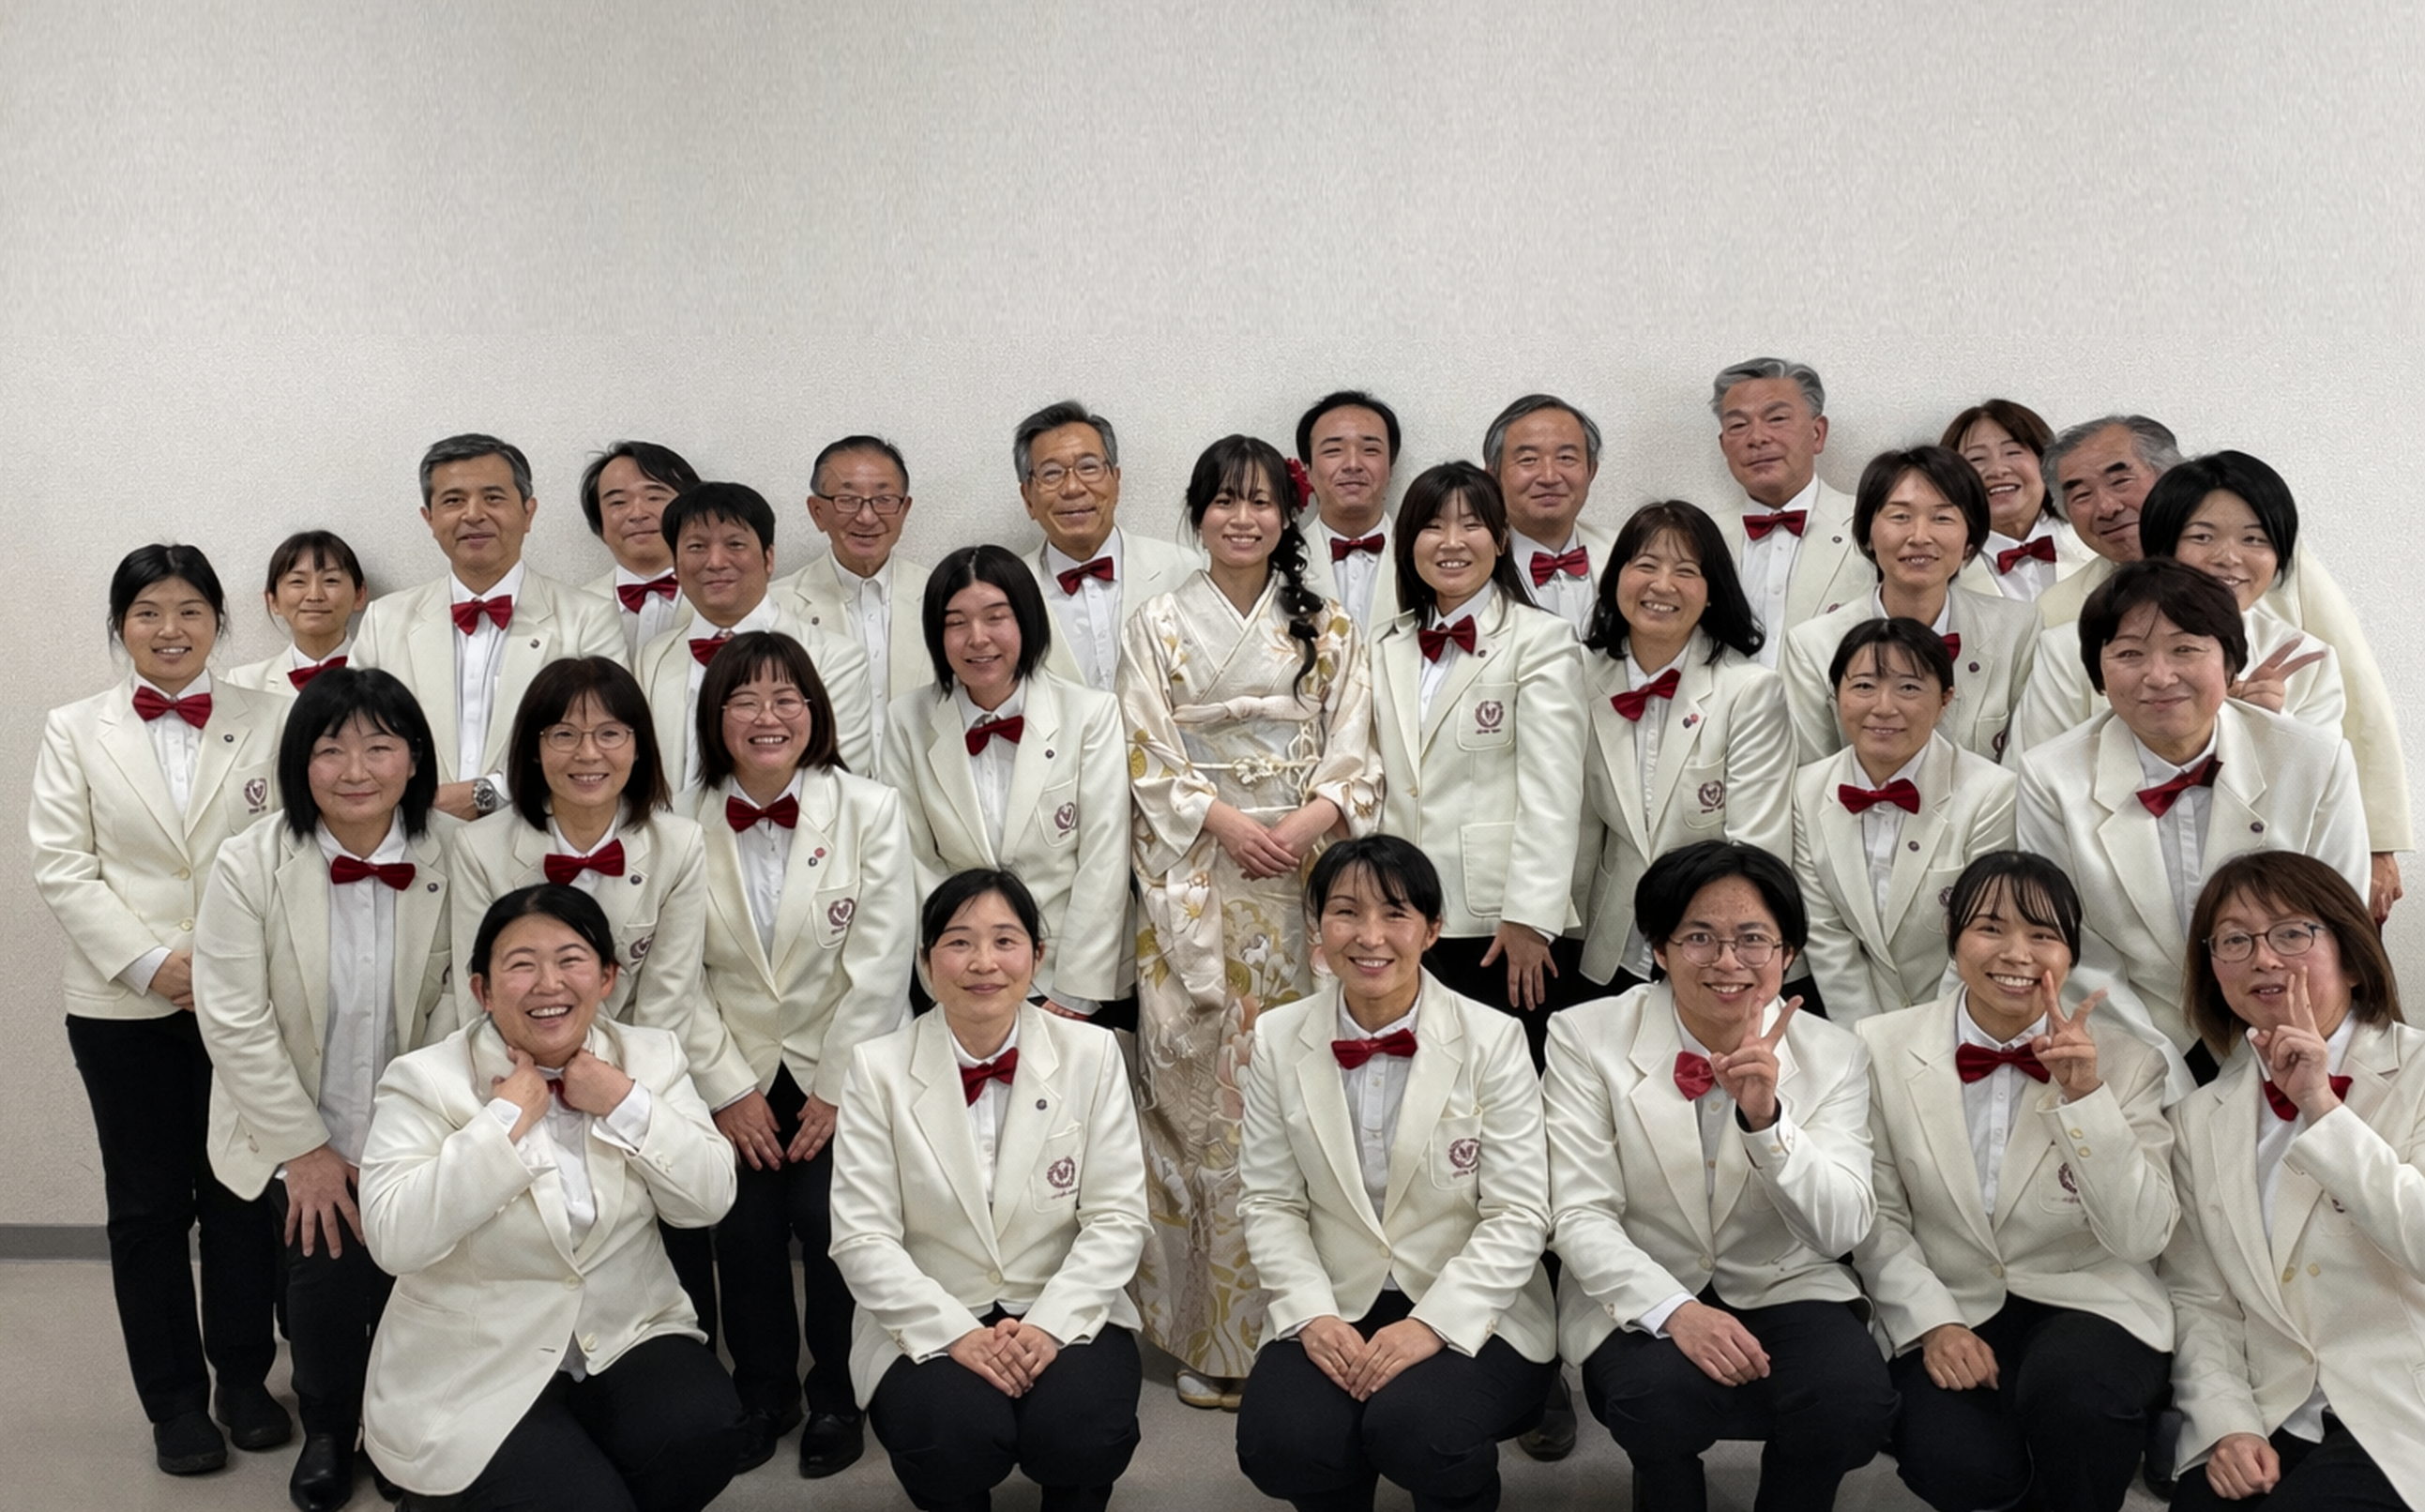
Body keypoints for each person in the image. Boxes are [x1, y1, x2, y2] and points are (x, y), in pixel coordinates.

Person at [1118, 432, 1382, 1408]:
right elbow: (1143, 750)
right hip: (1199, 884)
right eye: (1224, 500)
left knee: (1300, 1101)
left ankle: (1308, 1321)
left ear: (1286, 514)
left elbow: (1355, 748)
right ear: (1197, 514)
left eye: (1261, 500)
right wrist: (1225, 820)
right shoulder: (1155, 623)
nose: (1242, 517)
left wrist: (1306, 822)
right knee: (1197, 1108)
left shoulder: (1330, 625)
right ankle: (1211, 1335)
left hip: (1300, 879)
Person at [28, 543, 291, 1474]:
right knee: (145, 1207)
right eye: (147, 612)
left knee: (241, 1195)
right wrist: (152, 964)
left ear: (219, 620)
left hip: (246, 999)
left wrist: (221, 965)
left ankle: (244, 1379)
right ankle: (173, 1401)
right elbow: (63, 863)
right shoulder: (74, 728)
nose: (169, 629)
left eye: (189, 610)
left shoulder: (275, 718)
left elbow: (292, 849)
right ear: (120, 626)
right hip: (121, 1006)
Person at [356, 885, 744, 1512]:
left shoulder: (649, 1056)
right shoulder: (424, 1079)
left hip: (621, 1332)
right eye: (521, 964)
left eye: (570, 960)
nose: (548, 983)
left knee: (703, 1432)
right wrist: (503, 1121)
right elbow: (393, 1239)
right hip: (478, 1360)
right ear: (482, 989)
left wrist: (625, 1102)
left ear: (607, 977)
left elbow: (708, 1201)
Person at [1541, 839, 1894, 1512]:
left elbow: (1842, 1228)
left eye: (1753, 939)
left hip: (1784, 1278)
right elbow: (1578, 1212)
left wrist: (1767, 1123)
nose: (1729, 962)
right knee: (1656, 1400)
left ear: (1788, 953)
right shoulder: (1585, 1036)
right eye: (1699, 937)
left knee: (1850, 1404)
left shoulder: (1838, 1054)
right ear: (1659, 948)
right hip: (1646, 1277)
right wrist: (1674, 1310)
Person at [1234, 836, 1558, 1512]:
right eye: (1345, 912)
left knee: (1420, 1431)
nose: (1370, 936)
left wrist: (1433, 1324)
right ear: (1318, 926)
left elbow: (1519, 1213)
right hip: (1337, 1294)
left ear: (1432, 929)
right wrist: (1312, 1315)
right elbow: (1269, 1201)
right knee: (1285, 1443)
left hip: (1469, 1299)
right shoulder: (1277, 1038)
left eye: (1395, 913)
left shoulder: (1493, 1038)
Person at [194, 667, 454, 1510]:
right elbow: (234, 1017)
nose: (355, 770)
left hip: (420, 1117)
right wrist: (307, 1151)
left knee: (422, 1276)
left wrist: (411, 1138)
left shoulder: (458, 857)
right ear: (299, 762)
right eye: (330, 750)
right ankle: (332, 1428)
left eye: (379, 747)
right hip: (297, 1122)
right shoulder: (249, 862)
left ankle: (406, 1427)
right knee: (325, 1265)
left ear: (414, 759)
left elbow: (465, 1002)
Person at [1853, 852, 2176, 1512]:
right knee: (1951, 1459)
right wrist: (1933, 1324)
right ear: (1953, 941)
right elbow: (1878, 1217)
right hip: (1952, 1294)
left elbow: (2141, 1237)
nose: (2016, 953)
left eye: (2042, 934)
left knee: (2080, 1405)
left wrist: (2086, 1098)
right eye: (1990, 928)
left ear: (2071, 955)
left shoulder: (2131, 1061)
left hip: (2089, 1295)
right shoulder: (1879, 1047)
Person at [672, 629, 916, 1477]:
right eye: (743, 699)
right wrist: (726, 1088)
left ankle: (840, 1395)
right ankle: (764, 1392)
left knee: (831, 1220)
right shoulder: (678, 823)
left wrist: (838, 1088)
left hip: (839, 1066)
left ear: (814, 712)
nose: (766, 716)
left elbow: (881, 961)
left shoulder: (870, 809)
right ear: (715, 718)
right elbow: (677, 977)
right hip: (731, 1068)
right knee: (740, 1227)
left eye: (785, 698)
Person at [829, 869, 1150, 1512]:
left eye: (1005, 941)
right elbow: (862, 1237)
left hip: (1060, 1298)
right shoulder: (876, 1067)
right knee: (950, 1436)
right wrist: (956, 1333)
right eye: (958, 942)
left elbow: (1118, 1217)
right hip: (932, 1306)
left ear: (1037, 955)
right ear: (926, 963)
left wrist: (1049, 1326)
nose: (983, 963)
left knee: (1081, 1428)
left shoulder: (1091, 1054)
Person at [2033, 419, 2409, 923]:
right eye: (2080, 493)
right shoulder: (2063, 619)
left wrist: (2377, 838)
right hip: (2117, 881)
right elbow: (2047, 768)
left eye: (2120, 478)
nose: (2105, 505)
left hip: (2273, 890)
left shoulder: (2294, 627)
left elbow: (2350, 723)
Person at [444, 657, 717, 1338]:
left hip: (631, 1069)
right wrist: (531, 1079)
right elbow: (478, 990)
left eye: (610, 733)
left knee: (666, 1204)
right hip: (517, 1071)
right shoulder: (480, 847)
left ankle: (667, 1346)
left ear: (639, 745)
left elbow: (671, 992)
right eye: (563, 734)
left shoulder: (678, 843)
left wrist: (619, 1087)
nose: (587, 754)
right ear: (533, 749)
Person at [2016, 560, 2369, 1079]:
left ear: (2230, 663)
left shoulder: (2312, 760)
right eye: (2129, 654)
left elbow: (2338, 924)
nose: (2159, 676)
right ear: (2098, 673)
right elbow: (2072, 947)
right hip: (2135, 1037)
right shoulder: (2051, 777)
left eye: (2185, 649)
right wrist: (2158, 1071)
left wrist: (2270, 1057)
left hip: (2294, 1030)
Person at [2162, 851, 2425, 1509]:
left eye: (2290, 932)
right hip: (2273, 1410)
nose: (2262, 958)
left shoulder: (2419, 1072)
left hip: (2402, 1407)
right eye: (2234, 940)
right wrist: (2226, 1422)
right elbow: (2201, 1299)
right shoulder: (2196, 1119)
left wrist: (2321, 1108)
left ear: (2352, 955)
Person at [1369, 461, 1585, 1054]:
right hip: (1397, 913)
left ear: (1501, 539)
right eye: (1432, 526)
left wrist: (1531, 916)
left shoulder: (1541, 640)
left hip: (1495, 921)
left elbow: (1554, 790)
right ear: (1408, 543)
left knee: (1498, 1076)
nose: (1452, 542)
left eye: (1471, 525)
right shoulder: (1385, 645)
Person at [883, 545, 1134, 1027]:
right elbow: (912, 861)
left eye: (996, 617)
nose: (977, 638)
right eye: (956, 622)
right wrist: (954, 968)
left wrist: (1075, 991)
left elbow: (1104, 857)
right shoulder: (907, 720)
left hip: (1071, 976)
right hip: (963, 978)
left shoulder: (1089, 714)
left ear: (1027, 619)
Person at [1573, 501, 1793, 995]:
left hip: (1713, 950)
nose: (1663, 585)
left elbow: (1756, 847)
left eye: (1686, 571)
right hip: (1608, 944)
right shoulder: (1580, 678)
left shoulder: (1749, 690)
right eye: (1646, 565)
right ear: (1616, 578)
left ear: (1713, 591)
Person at [2012, 450, 2347, 769]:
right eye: (2202, 537)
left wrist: (2270, 724)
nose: (2228, 557)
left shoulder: (2308, 660)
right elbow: (2032, 775)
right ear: (2161, 545)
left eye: (2253, 539)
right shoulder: (2067, 651)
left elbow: (2325, 787)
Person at [352, 433, 626, 822]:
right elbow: (354, 738)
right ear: (429, 519)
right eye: (453, 501)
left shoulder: (588, 619)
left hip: (535, 833)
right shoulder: (385, 620)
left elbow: (607, 742)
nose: (473, 514)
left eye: (493, 498)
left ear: (528, 513)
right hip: (412, 834)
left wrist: (488, 794)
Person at [1792, 618, 2019, 1026]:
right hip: (1850, 1022)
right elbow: (1827, 936)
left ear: (1945, 700)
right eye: (1864, 686)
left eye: (1909, 688)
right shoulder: (1804, 792)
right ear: (1836, 694)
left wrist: (1929, 1038)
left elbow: (1980, 935)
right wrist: (1865, 1039)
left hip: (1956, 1017)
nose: (1883, 707)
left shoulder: (1991, 794)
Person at [1781, 446, 2039, 763]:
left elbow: (2025, 766)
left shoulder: (2017, 630)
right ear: (1868, 533)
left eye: (1942, 517)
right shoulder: (1813, 646)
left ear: (1970, 540)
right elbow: (1815, 776)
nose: (1919, 536)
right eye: (1900, 516)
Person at [630, 480, 875, 783]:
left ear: (768, 558)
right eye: (696, 547)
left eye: (734, 544)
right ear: (676, 568)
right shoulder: (654, 657)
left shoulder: (835, 658)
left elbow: (836, 782)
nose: (715, 562)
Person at [1015, 400, 1198, 691]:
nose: (1073, 488)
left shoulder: (1186, 571)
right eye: (1051, 473)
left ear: (1116, 481)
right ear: (1028, 498)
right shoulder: (1007, 592)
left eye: (1088, 467)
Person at [778, 433, 935, 767]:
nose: (866, 517)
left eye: (884, 499)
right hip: (821, 792)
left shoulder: (941, 597)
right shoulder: (776, 608)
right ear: (817, 511)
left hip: (921, 793)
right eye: (847, 500)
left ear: (904, 509)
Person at [1708, 358, 1875, 661]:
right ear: (1723, 446)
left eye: (1777, 419)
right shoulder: (1700, 539)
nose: (1757, 438)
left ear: (1817, 433)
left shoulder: (1872, 525)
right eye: (1738, 425)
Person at [1481, 393, 1613, 639]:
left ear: (1591, 471)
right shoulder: (1469, 567)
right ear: (1493, 475)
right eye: (1528, 460)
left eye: (1566, 458)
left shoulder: (1626, 556)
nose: (1549, 477)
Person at [1940, 400, 2094, 602]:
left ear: (2046, 462)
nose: (1997, 470)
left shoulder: (2097, 544)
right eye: (1976, 459)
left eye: (2013, 452)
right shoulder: (1942, 573)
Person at [577, 440, 701, 658]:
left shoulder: (730, 600)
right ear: (599, 525)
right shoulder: (572, 610)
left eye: (654, 497)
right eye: (618, 502)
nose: (637, 514)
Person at [1294, 390, 1404, 630]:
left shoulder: (1421, 557)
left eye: (1370, 450)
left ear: (1391, 467)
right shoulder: (1281, 562)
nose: (1353, 464)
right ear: (1308, 470)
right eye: (1333, 451)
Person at [222, 530, 370, 694]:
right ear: (273, 600)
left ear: (360, 595)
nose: (314, 596)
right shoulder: (244, 684)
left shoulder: (387, 675)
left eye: (331, 580)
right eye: (298, 581)